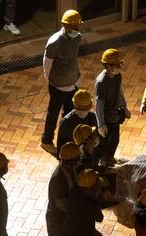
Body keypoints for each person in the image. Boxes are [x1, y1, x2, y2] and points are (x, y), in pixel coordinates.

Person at [41, 9, 83, 155]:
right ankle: (46, 140)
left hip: (72, 83)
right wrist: (49, 78)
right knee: (53, 112)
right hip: (58, 85)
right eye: (75, 27)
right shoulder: (55, 42)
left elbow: (73, 59)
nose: (77, 30)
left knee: (69, 113)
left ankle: (67, 140)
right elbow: (47, 62)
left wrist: (77, 78)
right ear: (66, 26)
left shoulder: (77, 37)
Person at [43, 142, 80, 236]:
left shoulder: (70, 170)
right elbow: (62, 205)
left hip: (62, 218)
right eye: (76, 159)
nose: (78, 161)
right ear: (70, 161)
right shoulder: (58, 179)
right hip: (57, 219)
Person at [95, 48, 131, 166]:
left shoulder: (117, 76)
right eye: (116, 65)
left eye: (118, 64)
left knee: (115, 140)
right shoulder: (101, 82)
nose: (118, 67)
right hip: (106, 117)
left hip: (114, 114)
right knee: (104, 142)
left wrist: (124, 107)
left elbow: (119, 92)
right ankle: (103, 162)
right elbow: (99, 104)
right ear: (107, 65)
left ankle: (110, 158)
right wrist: (101, 124)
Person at [56, 89, 98, 155]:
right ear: (90, 105)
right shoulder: (92, 117)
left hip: (72, 158)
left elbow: (61, 147)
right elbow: (96, 139)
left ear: (74, 104)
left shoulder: (65, 121)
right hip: (85, 158)